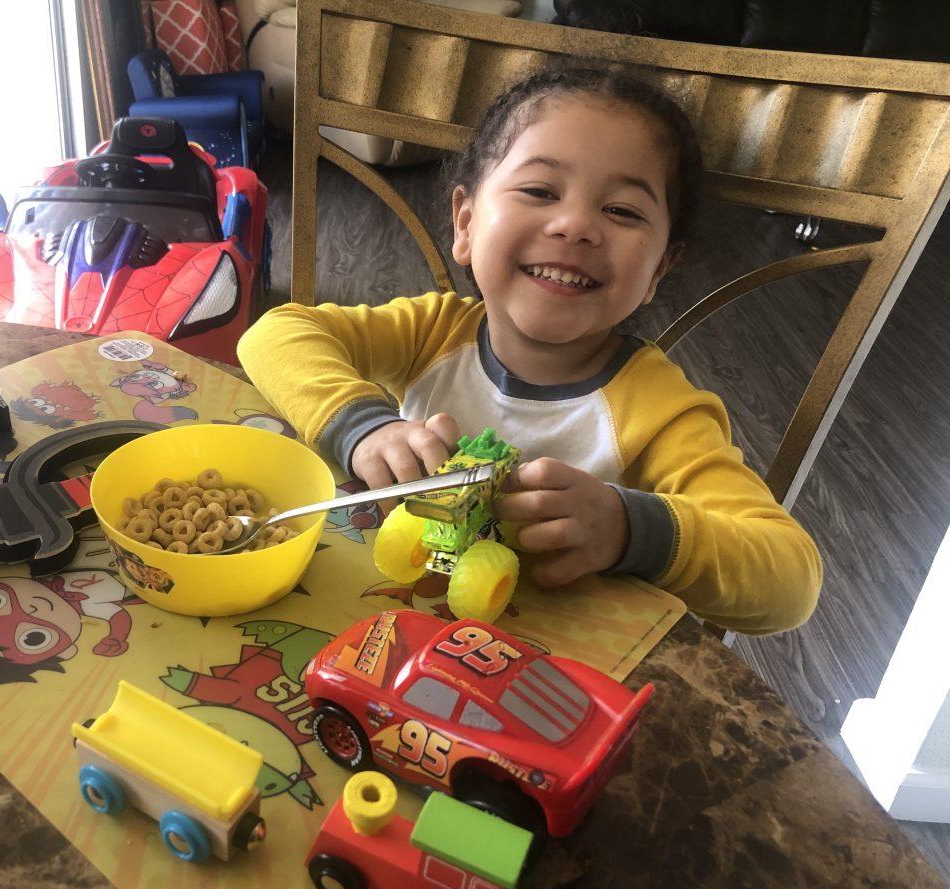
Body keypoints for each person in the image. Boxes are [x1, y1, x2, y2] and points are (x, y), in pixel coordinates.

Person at [237, 65, 821, 634]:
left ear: (658, 271)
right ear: (466, 223)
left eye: (621, 210)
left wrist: (630, 528)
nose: (574, 225)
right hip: (378, 617)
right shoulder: (432, 331)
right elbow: (274, 335)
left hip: (551, 670)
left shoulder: (658, 411)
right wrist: (363, 428)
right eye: (540, 190)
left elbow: (790, 579)